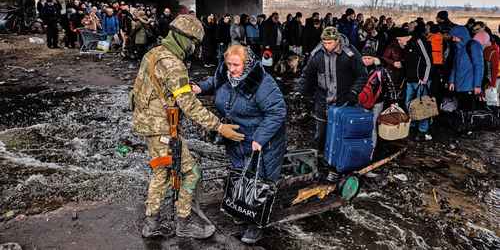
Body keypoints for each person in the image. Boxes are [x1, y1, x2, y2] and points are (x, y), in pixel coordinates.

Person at [131, 13, 244, 239]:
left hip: (150, 125)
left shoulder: (155, 53)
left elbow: (149, 90)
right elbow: (190, 106)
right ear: (184, 38)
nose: (194, 48)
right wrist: (219, 127)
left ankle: (152, 224)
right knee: (192, 172)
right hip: (162, 128)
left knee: (161, 172)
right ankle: (184, 223)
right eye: (193, 43)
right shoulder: (173, 64)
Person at [193, 45, 287, 244]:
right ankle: (241, 209)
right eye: (228, 64)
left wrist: (260, 138)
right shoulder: (226, 75)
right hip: (237, 138)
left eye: (236, 65)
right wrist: (200, 87)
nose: (232, 69)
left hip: (262, 141)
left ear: (248, 63)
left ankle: (256, 224)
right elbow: (214, 81)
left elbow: (277, 112)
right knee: (240, 174)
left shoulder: (262, 83)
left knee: (259, 180)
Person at [300, 27, 367, 151]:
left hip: (344, 99)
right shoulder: (317, 54)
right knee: (321, 132)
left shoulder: (350, 53)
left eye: (329, 43)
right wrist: (303, 92)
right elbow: (307, 74)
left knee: (340, 132)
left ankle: (338, 157)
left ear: (337, 40)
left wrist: (354, 91)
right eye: (324, 43)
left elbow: (362, 75)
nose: (326, 46)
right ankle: (319, 156)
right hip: (322, 100)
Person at [360, 46, 398, 153]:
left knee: (372, 127)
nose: (367, 60)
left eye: (369, 58)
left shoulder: (381, 70)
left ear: (374, 58)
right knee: (362, 125)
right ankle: (362, 147)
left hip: (377, 103)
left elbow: (390, 85)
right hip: (361, 102)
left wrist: (393, 102)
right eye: (364, 58)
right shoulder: (358, 68)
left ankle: (371, 150)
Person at [402, 27, 433, 141]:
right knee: (408, 104)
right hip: (410, 80)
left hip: (421, 80)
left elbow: (428, 61)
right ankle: (413, 125)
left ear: (406, 37)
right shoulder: (407, 45)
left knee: (423, 105)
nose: (399, 42)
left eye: (400, 40)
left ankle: (423, 130)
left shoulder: (419, 42)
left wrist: (424, 78)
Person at [448, 25, 484, 113]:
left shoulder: (473, 46)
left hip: (470, 86)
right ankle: (463, 124)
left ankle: (469, 125)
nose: (453, 39)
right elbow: (454, 66)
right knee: (461, 110)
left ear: (461, 35)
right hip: (459, 85)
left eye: (455, 37)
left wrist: (477, 85)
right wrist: (451, 81)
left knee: (469, 110)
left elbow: (479, 66)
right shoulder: (458, 47)